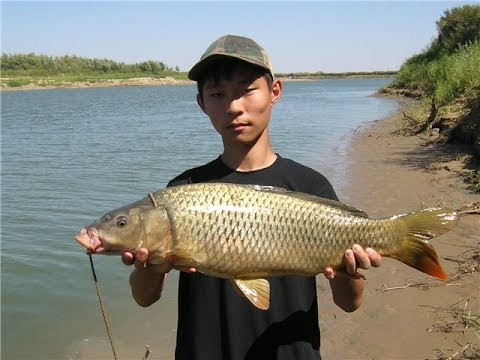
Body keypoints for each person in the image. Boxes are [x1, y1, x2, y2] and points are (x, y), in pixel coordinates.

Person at [122, 34, 382, 359]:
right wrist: (153, 266)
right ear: (201, 103)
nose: (234, 107)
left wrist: (349, 269)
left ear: (274, 92)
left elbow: (350, 303)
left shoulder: (309, 185)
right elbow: (144, 298)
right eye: (217, 94)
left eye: (246, 90)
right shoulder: (182, 191)